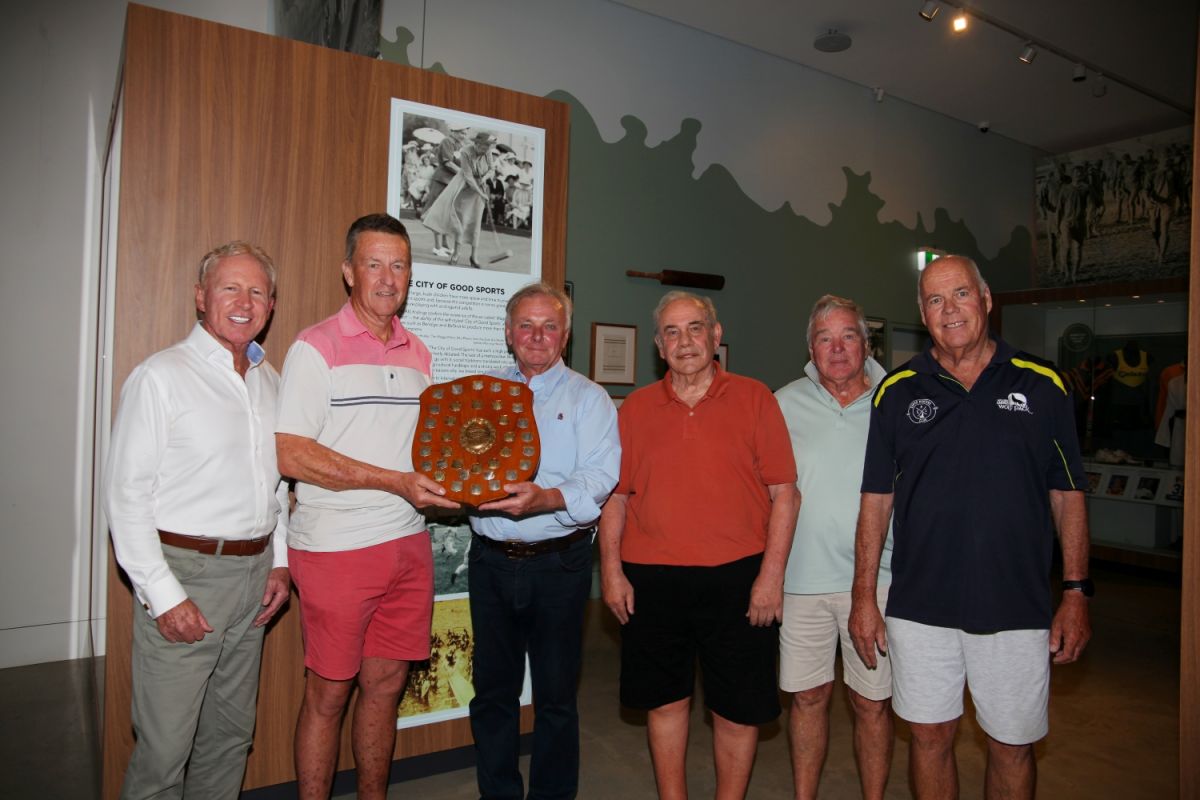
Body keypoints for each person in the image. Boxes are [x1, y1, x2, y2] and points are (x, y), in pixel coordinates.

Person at [850, 255, 1092, 799]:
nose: (949, 310)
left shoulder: (1044, 384)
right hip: (920, 608)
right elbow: (875, 501)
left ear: (985, 299)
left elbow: (1068, 494)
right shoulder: (898, 391)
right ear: (922, 313)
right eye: (934, 300)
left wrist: (1076, 592)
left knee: (1011, 745)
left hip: (1015, 606)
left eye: (960, 294)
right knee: (930, 738)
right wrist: (863, 596)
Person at [275, 214, 460, 800]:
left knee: (386, 688)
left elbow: (426, 453)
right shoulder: (315, 346)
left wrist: (453, 481)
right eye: (374, 264)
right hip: (336, 548)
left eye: (399, 265)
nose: (387, 278)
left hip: (408, 543)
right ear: (349, 270)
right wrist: (396, 482)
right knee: (328, 696)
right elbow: (292, 455)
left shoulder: (420, 354)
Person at [105, 241, 291, 799]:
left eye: (257, 291)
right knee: (164, 751)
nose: (244, 301)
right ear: (200, 297)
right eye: (229, 288)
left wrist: (278, 565)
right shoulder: (160, 377)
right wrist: (164, 595)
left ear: (271, 304)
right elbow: (125, 497)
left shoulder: (269, 380)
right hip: (185, 575)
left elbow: (276, 488)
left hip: (254, 578)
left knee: (230, 738)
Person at [599, 291, 800, 799]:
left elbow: (785, 495)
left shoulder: (756, 399)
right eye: (671, 331)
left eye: (694, 328)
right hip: (651, 580)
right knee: (664, 702)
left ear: (716, 335)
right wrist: (612, 571)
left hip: (739, 579)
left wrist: (770, 578)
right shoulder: (635, 410)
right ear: (658, 346)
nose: (684, 341)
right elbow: (615, 499)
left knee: (735, 708)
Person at [468, 282, 620, 799]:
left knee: (556, 698)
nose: (537, 336)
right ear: (508, 333)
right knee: (492, 695)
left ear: (566, 334)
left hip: (558, 565)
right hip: (489, 563)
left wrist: (548, 499)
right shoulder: (480, 392)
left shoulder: (589, 398)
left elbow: (601, 476)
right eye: (526, 326)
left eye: (549, 326)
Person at [773, 295, 894, 800]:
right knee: (807, 699)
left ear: (867, 344)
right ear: (810, 348)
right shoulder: (782, 404)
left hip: (880, 583)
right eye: (825, 338)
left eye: (848, 336)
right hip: (800, 584)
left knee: (871, 705)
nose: (837, 347)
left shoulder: (899, 401)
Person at [423, 130, 495, 267]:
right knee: (461, 221)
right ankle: (456, 253)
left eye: (489, 146)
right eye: (485, 146)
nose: (487, 149)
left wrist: (484, 179)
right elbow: (468, 177)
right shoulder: (466, 152)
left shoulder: (488, 152)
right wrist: (481, 192)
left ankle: (474, 257)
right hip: (463, 187)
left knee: (476, 222)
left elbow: (491, 169)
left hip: (479, 187)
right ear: (477, 143)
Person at [426, 122, 468, 257]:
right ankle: (437, 247)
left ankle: (444, 245)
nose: (464, 135)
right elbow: (447, 162)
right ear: (453, 132)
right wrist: (463, 173)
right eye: (462, 132)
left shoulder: (461, 146)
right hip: (441, 181)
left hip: (451, 183)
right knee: (437, 213)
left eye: (465, 133)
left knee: (446, 214)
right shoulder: (447, 141)